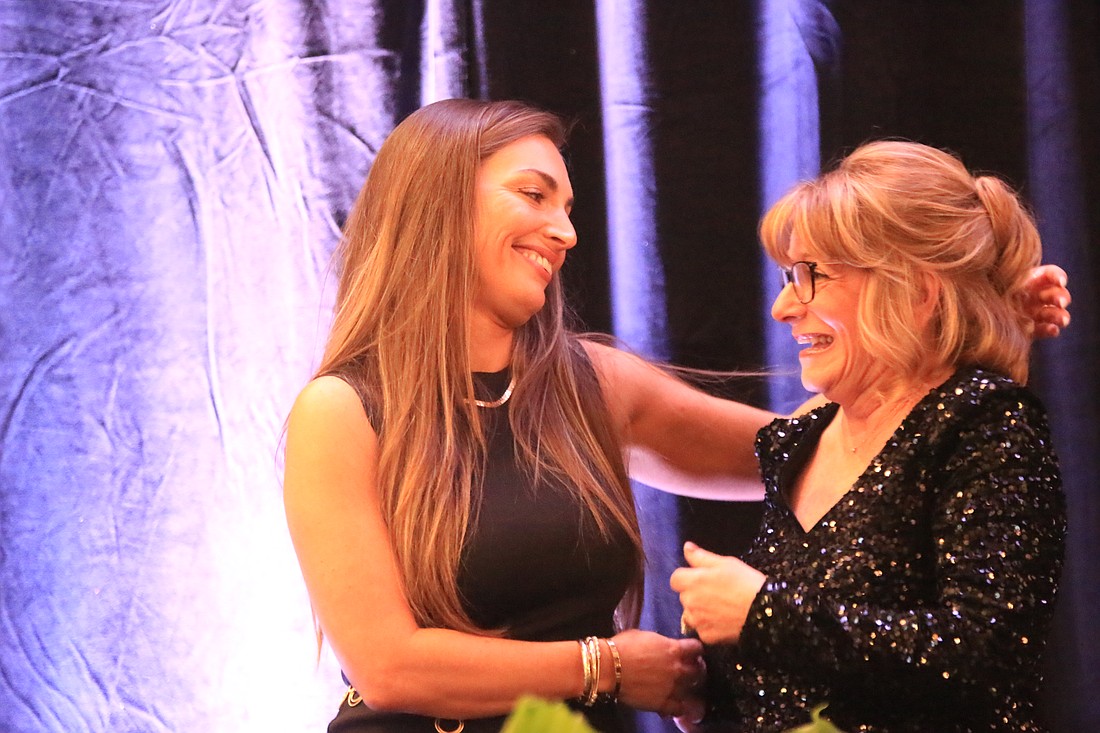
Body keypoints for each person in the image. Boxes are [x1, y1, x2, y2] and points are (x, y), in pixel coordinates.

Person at [283, 99, 1071, 733]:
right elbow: (389, 666)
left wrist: (956, 317)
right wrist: (610, 666)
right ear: (436, 204)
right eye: (534, 195)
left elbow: (836, 448)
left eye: (569, 206)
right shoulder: (344, 410)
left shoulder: (592, 384)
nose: (566, 232)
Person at [671, 140, 1068, 733]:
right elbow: (810, 674)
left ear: (914, 291)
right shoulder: (798, 442)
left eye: (811, 275)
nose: (783, 307)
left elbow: (985, 655)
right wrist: (703, 685)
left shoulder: (982, 422)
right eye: (787, 276)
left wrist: (764, 614)